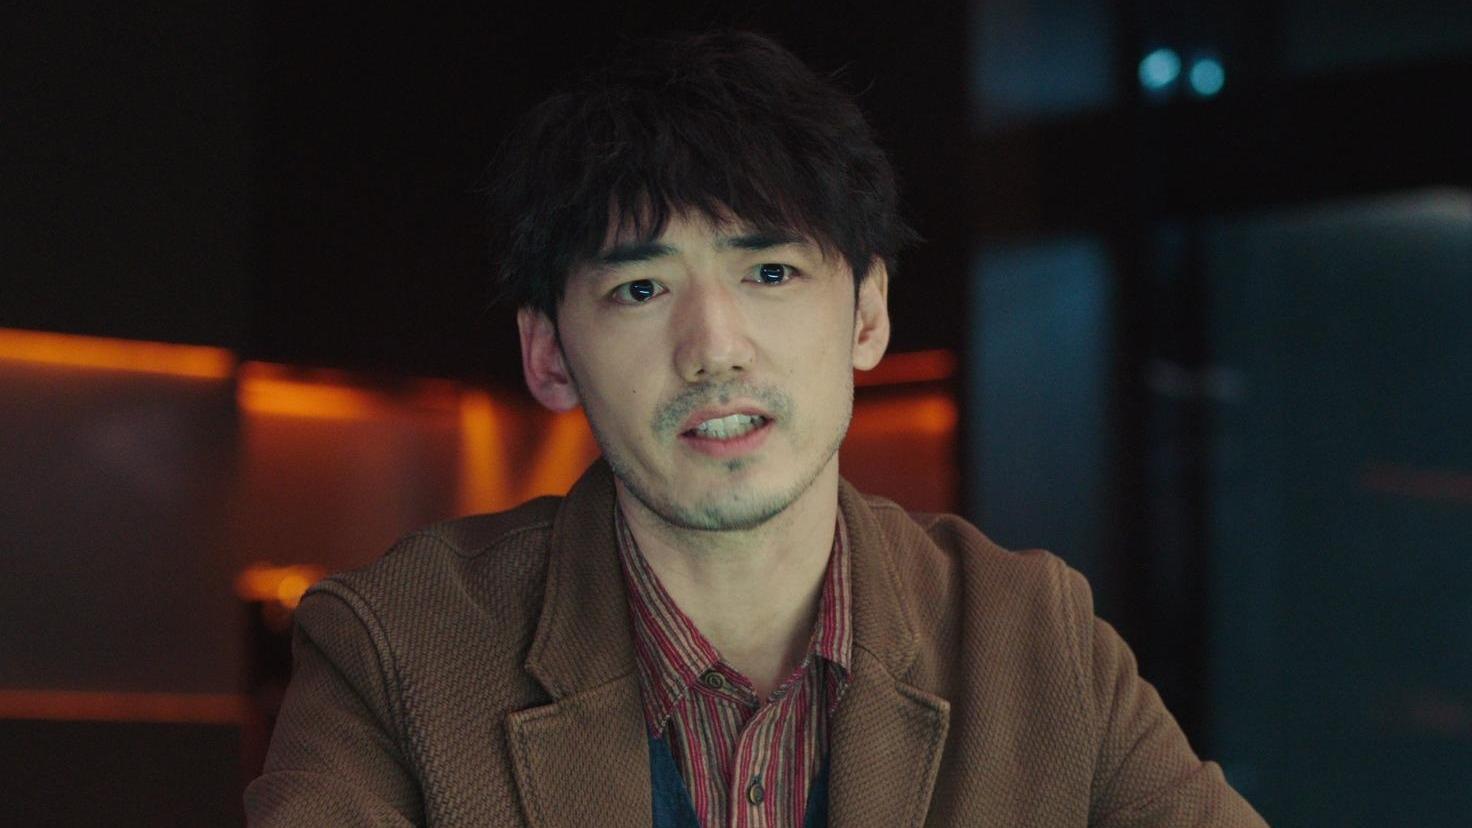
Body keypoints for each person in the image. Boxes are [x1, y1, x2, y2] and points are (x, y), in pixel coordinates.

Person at [244, 31, 1266, 827]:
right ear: (548, 354)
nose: (713, 348)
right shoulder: (399, 648)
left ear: (867, 312)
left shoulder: (1029, 638)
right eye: (640, 288)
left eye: (770, 271)